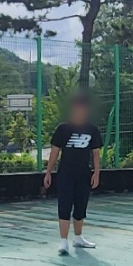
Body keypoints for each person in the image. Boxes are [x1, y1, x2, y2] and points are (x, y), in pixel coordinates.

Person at [43, 94, 103, 255]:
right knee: (64, 205)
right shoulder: (63, 129)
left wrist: (96, 173)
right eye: (78, 107)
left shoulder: (92, 130)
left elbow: (96, 153)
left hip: (83, 174)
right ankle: (63, 241)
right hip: (65, 174)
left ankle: (78, 237)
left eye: (83, 108)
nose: (80, 110)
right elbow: (54, 152)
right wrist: (48, 172)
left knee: (81, 205)